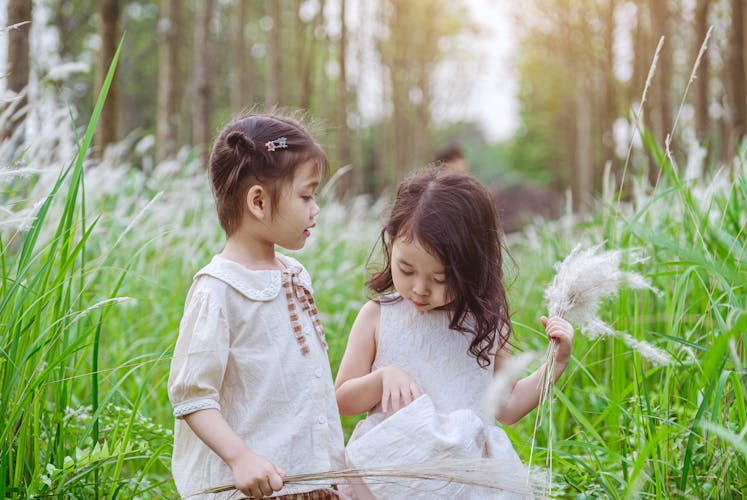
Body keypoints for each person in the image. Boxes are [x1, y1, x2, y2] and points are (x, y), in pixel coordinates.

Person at [334, 171, 574, 498]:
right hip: (394, 472)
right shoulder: (378, 316)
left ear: (473, 268)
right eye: (406, 269)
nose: (420, 288)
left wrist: (555, 364)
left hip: (466, 477)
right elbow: (342, 401)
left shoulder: (487, 323)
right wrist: (382, 379)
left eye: (441, 278)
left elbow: (508, 407)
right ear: (390, 244)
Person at [168, 113, 345, 499]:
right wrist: (240, 458)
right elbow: (191, 394)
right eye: (306, 195)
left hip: (306, 480)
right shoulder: (218, 291)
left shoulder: (295, 274)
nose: (315, 209)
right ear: (259, 202)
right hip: (257, 487)